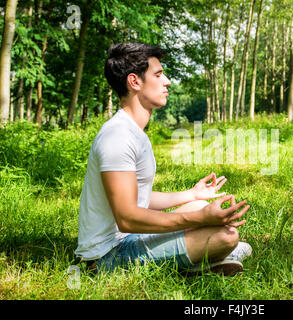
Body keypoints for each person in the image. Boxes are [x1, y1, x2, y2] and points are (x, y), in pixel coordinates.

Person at [75, 42, 252, 276]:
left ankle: (205, 258)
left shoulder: (133, 131)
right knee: (226, 235)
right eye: (158, 75)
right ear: (134, 82)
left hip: (130, 237)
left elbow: (139, 198)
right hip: (107, 256)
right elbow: (127, 217)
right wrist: (199, 218)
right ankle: (202, 261)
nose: (167, 81)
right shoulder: (117, 136)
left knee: (201, 205)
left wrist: (192, 195)